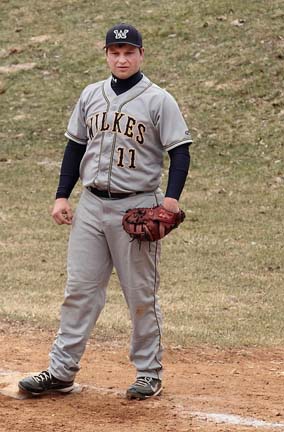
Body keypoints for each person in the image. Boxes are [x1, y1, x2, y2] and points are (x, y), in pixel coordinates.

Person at [18, 23, 192, 400]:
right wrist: (62, 195)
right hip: (92, 206)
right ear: (107, 55)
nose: (122, 58)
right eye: (115, 52)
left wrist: (171, 199)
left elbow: (180, 152)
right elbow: (74, 146)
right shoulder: (90, 95)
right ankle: (62, 371)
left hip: (137, 206)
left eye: (129, 52)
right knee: (79, 290)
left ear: (141, 55)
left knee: (140, 295)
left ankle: (148, 373)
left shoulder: (159, 100)